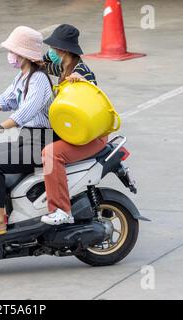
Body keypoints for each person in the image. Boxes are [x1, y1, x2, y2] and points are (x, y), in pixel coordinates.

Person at [0, 26, 57, 241]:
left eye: (13, 50)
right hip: (27, 139)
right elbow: (5, 100)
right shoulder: (23, 77)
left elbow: (25, 112)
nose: (10, 55)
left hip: (41, 144)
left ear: (24, 55)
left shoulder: (39, 80)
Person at [39, 24, 108, 225]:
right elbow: (42, 64)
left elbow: (94, 93)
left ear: (63, 50)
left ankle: (61, 210)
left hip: (91, 135)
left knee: (51, 153)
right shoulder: (62, 67)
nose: (51, 51)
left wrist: (84, 83)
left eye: (54, 47)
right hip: (75, 133)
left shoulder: (82, 72)